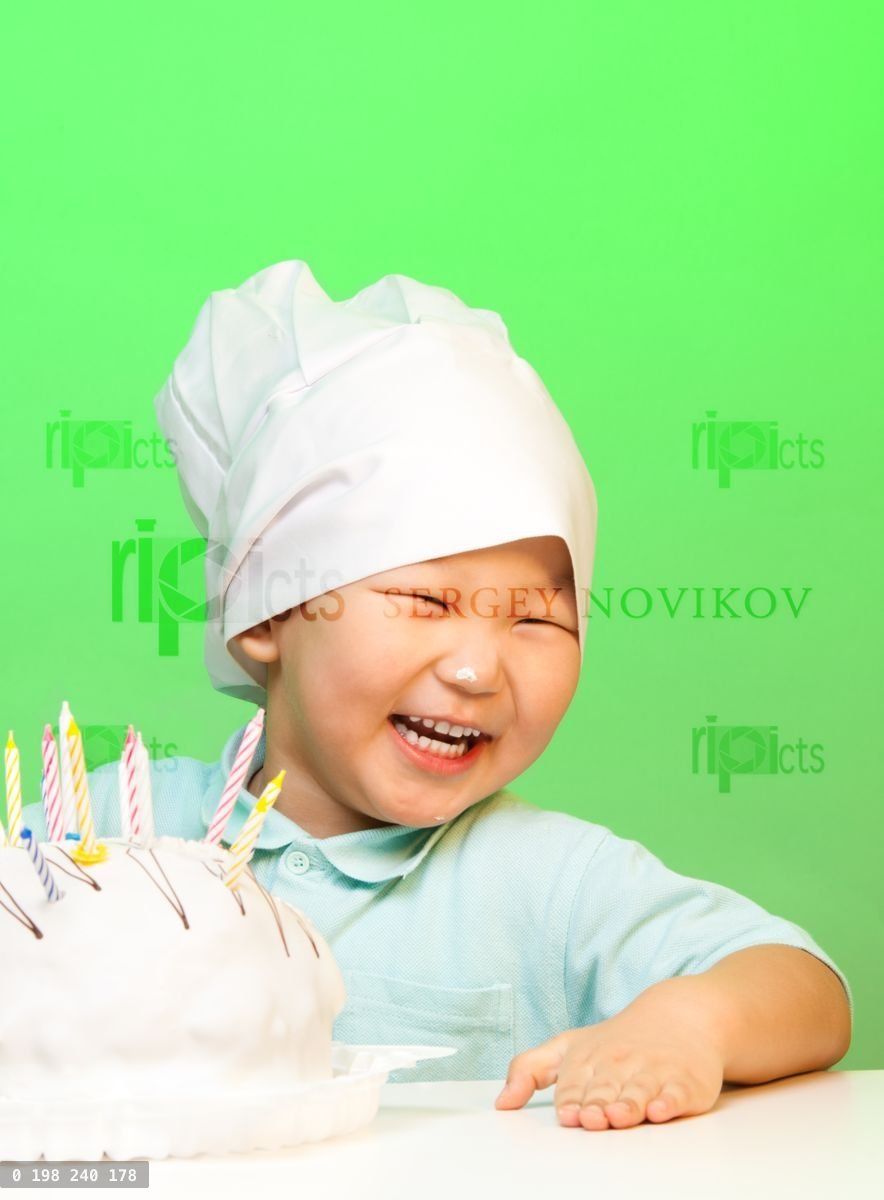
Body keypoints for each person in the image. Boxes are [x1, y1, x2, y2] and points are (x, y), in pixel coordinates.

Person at [22, 260, 852, 1130]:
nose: (477, 668)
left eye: (535, 618)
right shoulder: (93, 830)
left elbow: (806, 985)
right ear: (267, 611)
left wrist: (688, 1023)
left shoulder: (545, 882)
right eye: (428, 601)